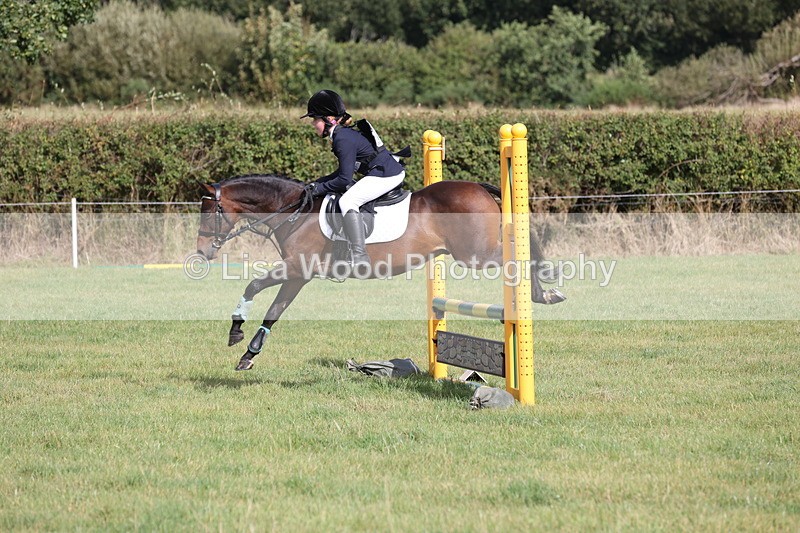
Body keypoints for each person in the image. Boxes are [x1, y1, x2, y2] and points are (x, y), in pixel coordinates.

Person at [301, 89, 406, 268]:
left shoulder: (342, 138)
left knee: (348, 201)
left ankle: (359, 255)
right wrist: (316, 183)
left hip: (386, 175)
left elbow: (343, 179)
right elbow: (341, 172)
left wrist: (319, 189)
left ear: (329, 119)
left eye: (315, 119)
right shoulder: (342, 135)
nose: (312, 124)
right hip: (382, 171)